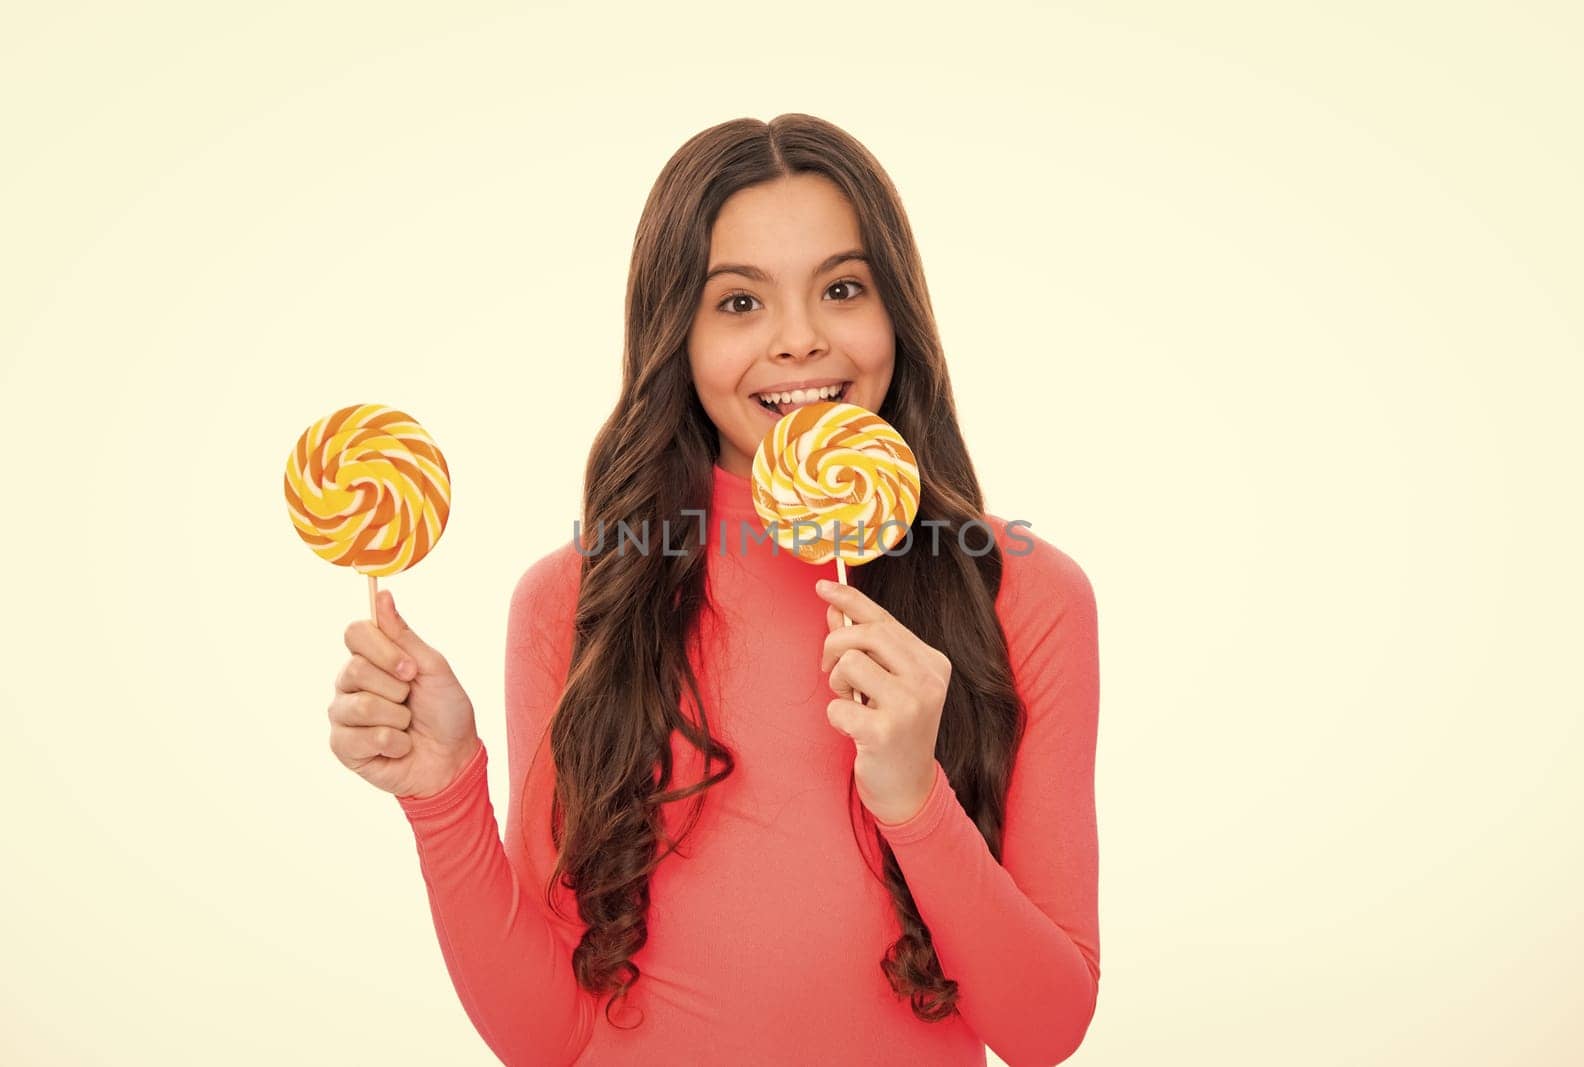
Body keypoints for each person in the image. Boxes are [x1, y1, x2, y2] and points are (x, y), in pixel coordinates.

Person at [327, 113, 1100, 1067]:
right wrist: (443, 790)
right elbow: (547, 1036)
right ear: (676, 336)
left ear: (897, 309)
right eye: (739, 303)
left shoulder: (1023, 596)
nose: (799, 341)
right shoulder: (575, 601)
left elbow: (1045, 1030)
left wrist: (913, 797)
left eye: (843, 288)